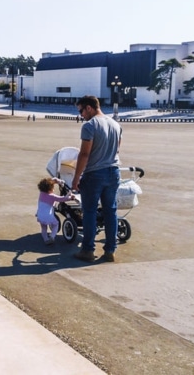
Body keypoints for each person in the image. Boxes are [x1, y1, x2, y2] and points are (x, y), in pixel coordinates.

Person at [71, 95, 122, 263]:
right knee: (110, 211)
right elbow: (117, 150)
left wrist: (76, 177)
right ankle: (110, 251)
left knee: (90, 212)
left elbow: (85, 154)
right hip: (114, 172)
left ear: (89, 108)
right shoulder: (116, 124)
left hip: (94, 174)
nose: (81, 115)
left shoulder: (89, 126)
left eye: (81, 111)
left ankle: (87, 250)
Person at [36, 177, 70, 245]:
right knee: (55, 224)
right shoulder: (52, 196)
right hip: (48, 216)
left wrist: (56, 181)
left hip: (40, 215)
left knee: (44, 228)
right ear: (50, 189)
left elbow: (47, 183)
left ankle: (46, 240)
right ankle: (52, 237)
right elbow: (62, 199)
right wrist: (70, 197)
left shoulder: (41, 193)